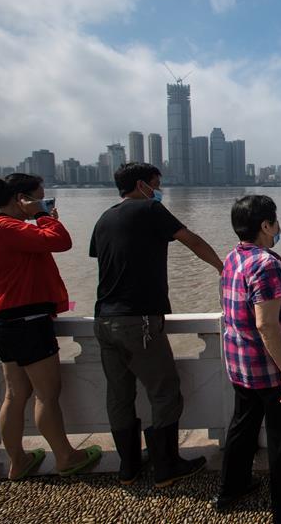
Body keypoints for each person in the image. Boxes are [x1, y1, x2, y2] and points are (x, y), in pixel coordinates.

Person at [89, 162, 223, 487]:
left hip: (104, 319)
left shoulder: (104, 218)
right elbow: (191, 240)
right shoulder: (150, 209)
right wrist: (224, 267)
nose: (160, 189)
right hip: (140, 321)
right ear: (142, 184)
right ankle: (167, 466)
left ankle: (129, 468)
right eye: (156, 183)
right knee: (164, 391)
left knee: (119, 395)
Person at [0, 174, 102, 480]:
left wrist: (39, 218)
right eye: (41, 198)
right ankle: (66, 457)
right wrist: (43, 216)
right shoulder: (5, 227)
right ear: (22, 199)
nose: (45, 204)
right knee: (46, 394)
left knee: (15, 394)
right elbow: (62, 242)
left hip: (3, 321)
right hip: (27, 322)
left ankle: (18, 461)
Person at [214, 195, 281, 522]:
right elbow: (266, 324)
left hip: (239, 362)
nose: (279, 226)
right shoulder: (267, 264)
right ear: (265, 226)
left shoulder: (232, 258)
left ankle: (231, 489)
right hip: (269, 367)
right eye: (275, 221)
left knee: (242, 427)